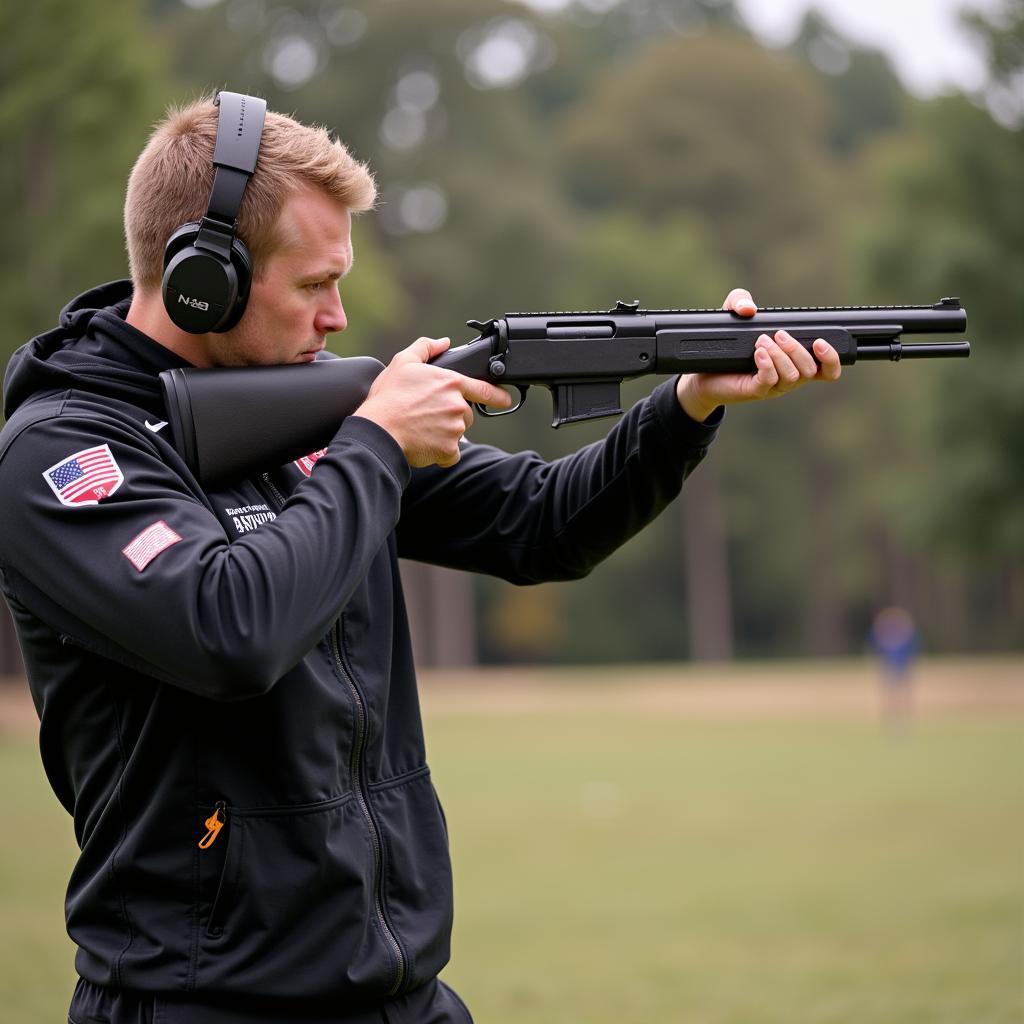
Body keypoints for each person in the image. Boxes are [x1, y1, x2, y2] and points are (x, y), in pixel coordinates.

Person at [0, 93, 841, 1024]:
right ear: (205, 280)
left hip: (395, 992)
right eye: (314, 284)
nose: (338, 317)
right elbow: (229, 627)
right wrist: (375, 446)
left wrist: (684, 405)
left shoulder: (310, 420)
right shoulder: (63, 454)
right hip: (202, 1002)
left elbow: (542, 522)